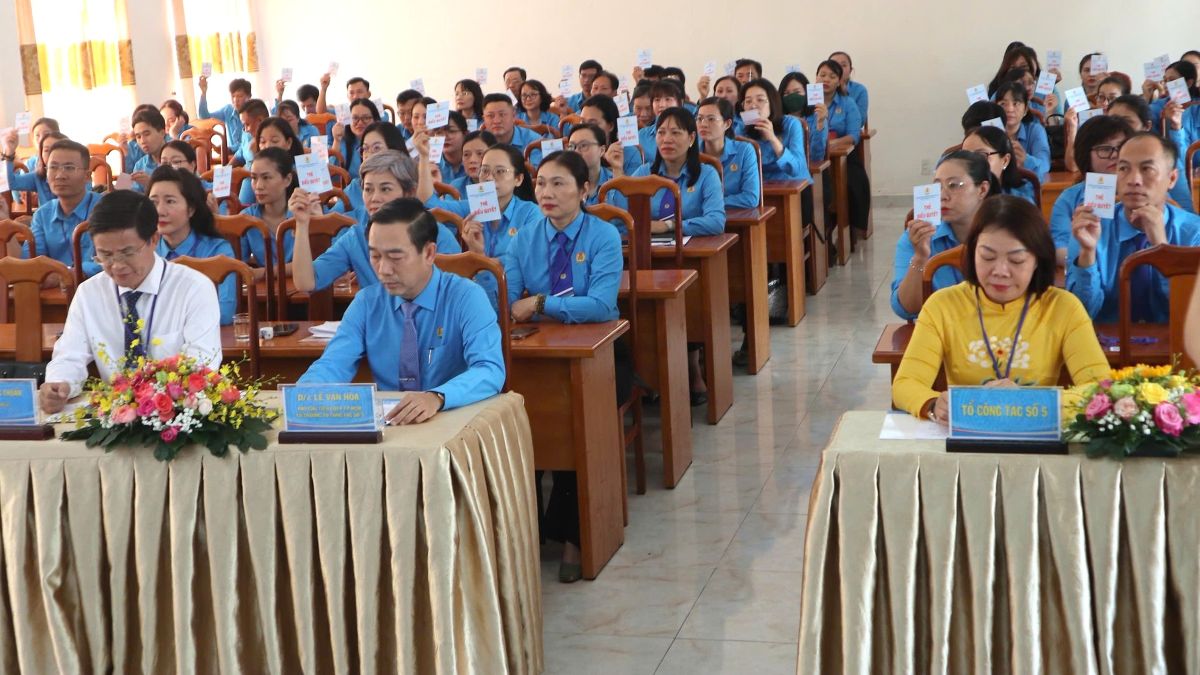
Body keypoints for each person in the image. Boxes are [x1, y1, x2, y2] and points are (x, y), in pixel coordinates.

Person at [501, 150, 624, 582]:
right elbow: (508, 300)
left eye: (559, 184)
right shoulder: (524, 236)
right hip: (540, 351)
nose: (547, 193)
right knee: (521, 414)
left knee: (570, 421)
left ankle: (574, 536)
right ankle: (527, 531)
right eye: (541, 184)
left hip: (599, 354)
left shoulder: (603, 236)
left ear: (585, 190)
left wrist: (541, 303)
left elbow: (603, 305)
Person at [892, 195, 1109, 424]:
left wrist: (1026, 401)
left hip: (1036, 433)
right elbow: (905, 384)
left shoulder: (1063, 307)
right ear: (972, 253)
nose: (1000, 271)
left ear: (1037, 260)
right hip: (966, 435)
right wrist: (934, 404)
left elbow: (1101, 389)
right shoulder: (943, 306)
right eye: (987, 257)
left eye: (1016, 261)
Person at [297, 198, 504, 425]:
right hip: (390, 426)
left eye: (395, 257)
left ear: (428, 253)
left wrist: (437, 397)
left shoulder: (466, 296)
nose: (383, 270)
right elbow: (333, 364)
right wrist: (304, 394)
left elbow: (489, 370)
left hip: (452, 423)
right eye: (375, 256)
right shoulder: (367, 303)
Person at [39, 189, 221, 413]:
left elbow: (202, 363)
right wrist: (59, 384)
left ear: (154, 239)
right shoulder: (89, 293)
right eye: (104, 255)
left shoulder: (193, 288)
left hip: (174, 414)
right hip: (116, 415)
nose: (116, 265)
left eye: (127, 253)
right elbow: (69, 355)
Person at [1067, 132, 1200, 323]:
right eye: (1123, 168)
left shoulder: (1194, 233)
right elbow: (1082, 314)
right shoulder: (1091, 227)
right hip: (1105, 347)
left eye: (1147, 169)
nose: (1134, 180)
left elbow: (1191, 317)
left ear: (1171, 179)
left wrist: (1162, 248)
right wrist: (1087, 253)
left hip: (1173, 347)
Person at [291, 149, 461, 295]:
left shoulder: (437, 236)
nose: (374, 198)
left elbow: (456, 296)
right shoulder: (356, 237)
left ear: (409, 192)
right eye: (368, 189)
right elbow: (307, 282)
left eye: (385, 189)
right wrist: (302, 224)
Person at [891, 151, 999, 320]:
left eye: (954, 185)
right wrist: (920, 258)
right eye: (938, 187)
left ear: (982, 189)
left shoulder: (1006, 234)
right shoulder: (918, 237)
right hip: (940, 333)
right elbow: (906, 309)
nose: (942, 196)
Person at [147, 167, 236, 325]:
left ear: (191, 209)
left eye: (170, 201)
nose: (160, 211)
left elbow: (225, 312)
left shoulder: (218, 251)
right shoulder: (145, 251)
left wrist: (170, 322)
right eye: (153, 202)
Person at [1052, 116, 1135, 264]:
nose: (1115, 155)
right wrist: (1086, 254)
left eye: (1121, 147)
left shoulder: (1143, 192)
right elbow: (1059, 250)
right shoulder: (1069, 198)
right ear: (1085, 154)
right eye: (1105, 149)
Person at [26, 140, 102, 280]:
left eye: (69, 168)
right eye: (53, 167)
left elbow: (110, 260)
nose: (60, 175)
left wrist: (68, 274)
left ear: (87, 176)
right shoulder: (42, 215)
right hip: (54, 294)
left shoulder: (105, 209)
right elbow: (31, 258)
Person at [240, 147, 298, 279]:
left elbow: (315, 263)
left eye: (266, 178)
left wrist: (265, 273)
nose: (259, 186)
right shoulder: (246, 219)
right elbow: (238, 266)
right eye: (254, 178)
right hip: (264, 295)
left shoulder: (302, 213)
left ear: (287, 180)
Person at [696, 97, 761, 209]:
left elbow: (751, 198)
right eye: (699, 119)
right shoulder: (690, 154)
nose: (703, 124)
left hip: (738, 219)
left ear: (727, 124)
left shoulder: (745, 151)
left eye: (711, 119)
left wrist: (711, 203)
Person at [742, 78, 810, 182]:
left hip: (794, 187)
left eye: (760, 100)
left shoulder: (792, 124)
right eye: (748, 101)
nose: (753, 106)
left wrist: (773, 139)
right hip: (760, 189)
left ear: (772, 102)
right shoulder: (742, 129)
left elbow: (796, 169)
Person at [962, 125, 1037, 204]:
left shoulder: (1020, 203)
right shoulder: (956, 198)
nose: (971, 162)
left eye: (981, 155)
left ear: (1005, 160)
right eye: (965, 155)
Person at [995, 81, 1050, 182]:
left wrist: (1026, 160)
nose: (1010, 109)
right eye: (1003, 104)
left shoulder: (1035, 130)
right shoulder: (989, 132)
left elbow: (1045, 165)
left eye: (1016, 103)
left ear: (1025, 110)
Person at [579, 95, 644, 175]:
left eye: (592, 124)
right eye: (582, 122)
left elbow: (634, 186)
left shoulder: (629, 153)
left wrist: (617, 168)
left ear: (610, 126)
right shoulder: (577, 151)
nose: (585, 128)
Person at [2, 128, 64, 206]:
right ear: (41, 154)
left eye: (56, 149)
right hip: (44, 218)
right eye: (46, 150)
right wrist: (9, 152)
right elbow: (10, 183)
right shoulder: (38, 176)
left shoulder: (76, 174)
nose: (52, 154)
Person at [780, 72, 828, 162]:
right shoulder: (778, 119)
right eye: (786, 93)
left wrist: (820, 123)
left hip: (809, 171)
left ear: (807, 93)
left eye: (797, 92)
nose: (792, 96)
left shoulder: (816, 117)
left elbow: (816, 157)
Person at [198, 76, 251, 152]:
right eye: (233, 96)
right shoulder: (228, 110)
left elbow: (250, 141)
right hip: (231, 155)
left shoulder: (254, 112)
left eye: (240, 96)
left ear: (249, 97)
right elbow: (204, 117)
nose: (235, 100)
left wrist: (229, 149)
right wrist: (203, 93)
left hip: (248, 154)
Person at [330, 98, 380, 177]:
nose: (360, 123)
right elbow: (332, 175)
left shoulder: (382, 142)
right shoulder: (343, 142)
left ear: (375, 120)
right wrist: (336, 141)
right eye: (355, 118)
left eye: (366, 118)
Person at [637, 80, 685, 163]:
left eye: (668, 99)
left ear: (679, 103)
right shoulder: (642, 135)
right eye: (657, 100)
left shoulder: (688, 133)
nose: (662, 105)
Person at [566, 125, 613, 205]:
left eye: (583, 145)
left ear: (601, 150)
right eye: (572, 147)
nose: (576, 152)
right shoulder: (562, 184)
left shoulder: (613, 182)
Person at [129, 108, 169, 190]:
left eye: (147, 134)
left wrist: (151, 184)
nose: (142, 141)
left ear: (162, 133)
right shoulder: (140, 165)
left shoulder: (178, 158)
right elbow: (134, 197)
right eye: (138, 137)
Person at [829, 51, 869, 121]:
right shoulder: (820, 89)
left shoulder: (859, 90)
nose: (838, 69)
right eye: (834, 65)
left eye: (843, 65)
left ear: (850, 70)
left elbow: (860, 121)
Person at [232, 99, 271, 167]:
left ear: (260, 121)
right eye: (244, 125)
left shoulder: (273, 141)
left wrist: (255, 153)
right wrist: (225, 172)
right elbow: (240, 154)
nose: (245, 129)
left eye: (247, 124)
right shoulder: (247, 135)